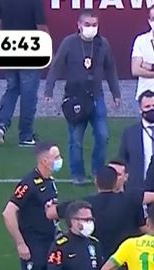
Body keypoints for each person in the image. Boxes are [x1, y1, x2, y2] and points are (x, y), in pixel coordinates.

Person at [44, 10, 121, 186]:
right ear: (79, 25)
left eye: (94, 25)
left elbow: (110, 69)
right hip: (74, 98)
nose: (91, 28)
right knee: (76, 140)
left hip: (96, 97)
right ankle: (77, 174)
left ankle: (97, 171)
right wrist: (49, 89)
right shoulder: (69, 43)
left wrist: (115, 93)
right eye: (87, 25)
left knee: (103, 136)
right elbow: (56, 66)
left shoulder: (102, 44)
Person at [0, 0, 49, 146]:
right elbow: (41, 27)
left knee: (12, 89)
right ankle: (25, 135)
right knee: (28, 95)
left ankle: (2, 125)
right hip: (29, 51)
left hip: (9, 49)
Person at [118, 90, 154, 192]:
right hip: (139, 187)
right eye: (147, 107)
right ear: (140, 109)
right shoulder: (130, 132)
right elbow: (123, 159)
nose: (152, 109)